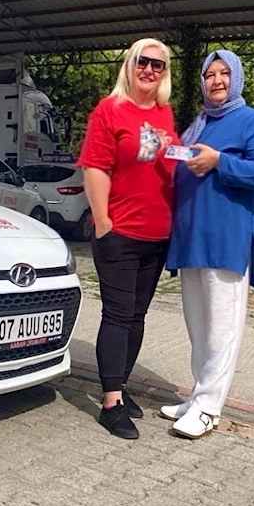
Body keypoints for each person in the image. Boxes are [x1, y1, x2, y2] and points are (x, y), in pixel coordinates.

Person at [161, 49, 254, 439]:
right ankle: (197, 396)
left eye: (224, 73)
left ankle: (209, 408)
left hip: (225, 240)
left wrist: (219, 163)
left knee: (221, 329)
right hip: (192, 240)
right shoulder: (198, 127)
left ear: (237, 78)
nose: (217, 81)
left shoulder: (253, 122)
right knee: (198, 327)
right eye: (210, 74)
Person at [77, 38, 178, 439]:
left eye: (158, 64)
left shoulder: (165, 114)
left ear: (164, 73)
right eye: (142, 61)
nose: (149, 70)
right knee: (118, 315)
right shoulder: (110, 110)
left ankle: (120, 385)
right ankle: (110, 403)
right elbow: (94, 168)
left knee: (137, 316)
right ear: (130, 66)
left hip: (157, 236)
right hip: (120, 233)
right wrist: (103, 222)